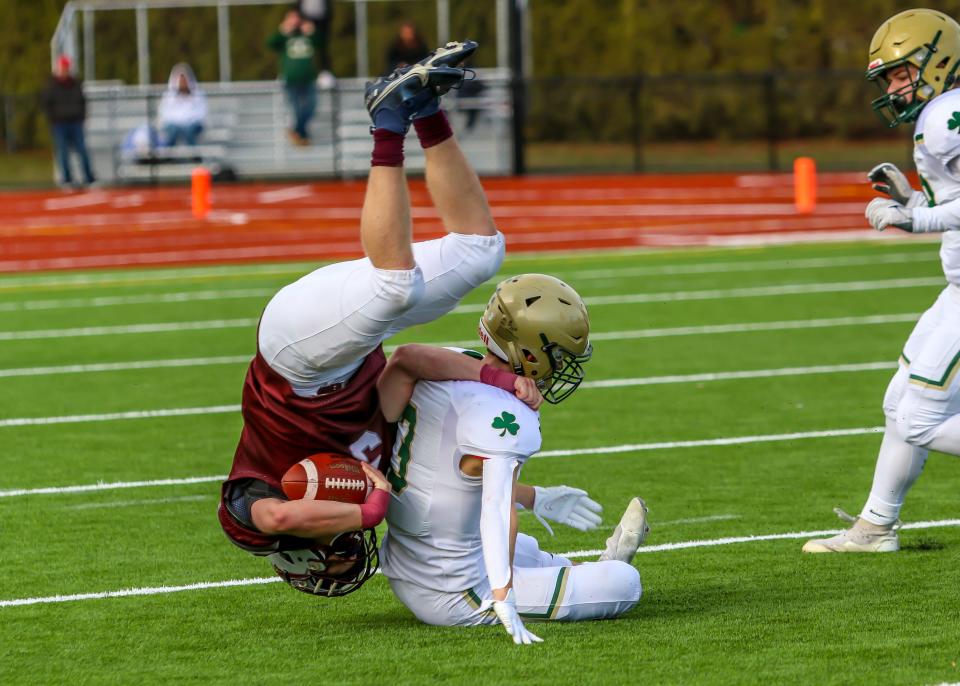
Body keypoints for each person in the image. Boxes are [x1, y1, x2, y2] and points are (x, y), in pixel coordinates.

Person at [217, 40, 544, 597]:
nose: (348, 550)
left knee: (394, 286)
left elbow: (275, 520)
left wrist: (369, 512)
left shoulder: (264, 510)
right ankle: (424, 108)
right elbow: (411, 362)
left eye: (338, 558)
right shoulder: (378, 466)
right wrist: (499, 379)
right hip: (353, 341)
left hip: (295, 356)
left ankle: (386, 119)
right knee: (480, 251)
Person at [378, 274, 649, 644]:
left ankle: (580, 569)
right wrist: (502, 594)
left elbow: (462, 472)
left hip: (408, 559)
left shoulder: (454, 364)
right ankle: (604, 569)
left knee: (528, 551)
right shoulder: (509, 417)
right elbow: (496, 510)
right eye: (557, 355)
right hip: (453, 592)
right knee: (624, 584)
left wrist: (536, 496)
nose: (561, 365)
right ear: (530, 354)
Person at [804, 8, 960, 553]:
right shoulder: (939, 115)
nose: (893, 88)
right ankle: (875, 527)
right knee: (899, 403)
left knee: (918, 416)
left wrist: (912, 219)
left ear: (937, 61)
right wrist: (912, 199)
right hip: (956, 289)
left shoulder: (950, 115)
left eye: (900, 73)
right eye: (887, 78)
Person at [40, 55, 96, 188]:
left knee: (82, 150)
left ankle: (89, 178)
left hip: (76, 122)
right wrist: (52, 119)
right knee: (63, 152)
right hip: (59, 124)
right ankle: (67, 180)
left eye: (66, 67)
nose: (64, 70)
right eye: (62, 68)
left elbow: (82, 101)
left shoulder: (75, 83)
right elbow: (46, 103)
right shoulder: (52, 85)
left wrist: (82, 116)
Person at [268, 8, 322, 145]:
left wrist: (312, 32)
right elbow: (271, 44)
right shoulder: (285, 36)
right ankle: (302, 135)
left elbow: (322, 43)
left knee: (311, 107)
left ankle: (296, 131)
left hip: (309, 78)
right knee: (297, 110)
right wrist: (282, 31)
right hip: (291, 80)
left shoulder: (307, 34)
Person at [158, 63, 207, 147]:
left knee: (189, 131)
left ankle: (195, 156)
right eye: (180, 80)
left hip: (192, 126)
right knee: (173, 131)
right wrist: (178, 123)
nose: (182, 82)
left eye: (184, 80)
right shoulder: (168, 97)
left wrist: (187, 122)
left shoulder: (197, 95)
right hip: (173, 126)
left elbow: (201, 114)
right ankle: (168, 156)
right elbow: (164, 115)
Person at [297, 0, 335, 89]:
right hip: (305, 19)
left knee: (322, 48)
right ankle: (301, 72)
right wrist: (303, 19)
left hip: (322, 19)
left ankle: (324, 72)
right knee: (303, 47)